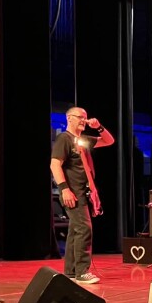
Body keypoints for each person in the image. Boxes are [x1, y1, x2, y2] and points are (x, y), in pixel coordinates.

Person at [50, 106, 115, 284]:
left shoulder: (82, 140)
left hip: (84, 192)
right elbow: (55, 165)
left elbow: (109, 141)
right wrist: (64, 189)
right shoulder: (64, 139)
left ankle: (71, 271)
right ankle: (82, 272)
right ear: (69, 118)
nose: (84, 120)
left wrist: (98, 126)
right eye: (80, 117)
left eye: (85, 117)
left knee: (75, 231)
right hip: (73, 192)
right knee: (84, 229)